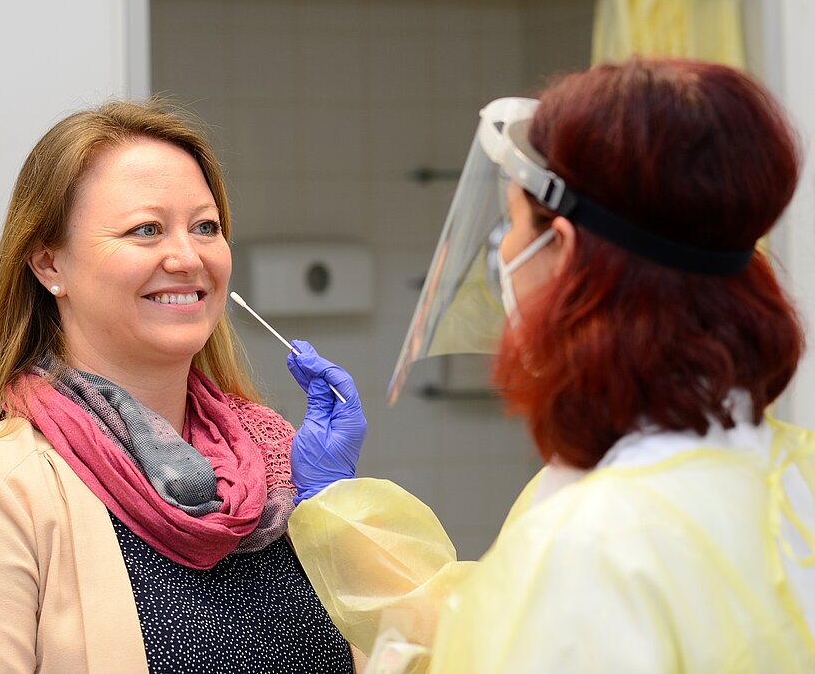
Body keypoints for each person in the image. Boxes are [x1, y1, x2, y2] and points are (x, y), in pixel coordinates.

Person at [283, 57, 815, 672]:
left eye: (509, 225)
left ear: (560, 250)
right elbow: (481, 622)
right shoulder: (792, 473)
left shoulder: (594, 541)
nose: (501, 252)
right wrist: (339, 509)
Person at [0, 100, 366, 672]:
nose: (188, 257)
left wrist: (339, 518)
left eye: (206, 227)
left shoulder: (277, 467)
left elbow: (404, 648)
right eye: (146, 230)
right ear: (49, 265)